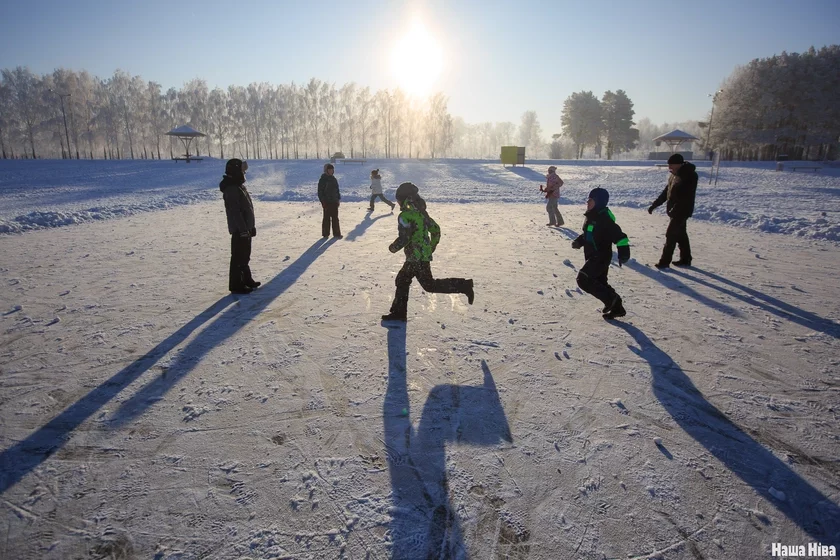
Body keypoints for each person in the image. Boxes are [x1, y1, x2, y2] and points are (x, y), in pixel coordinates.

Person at [381, 182, 474, 322]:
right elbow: (436, 230)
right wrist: (430, 247)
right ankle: (463, 285)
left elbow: (405, 238)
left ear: (404, 199)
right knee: (420, 283)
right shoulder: (422, 213)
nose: (397, 201)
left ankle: (399, 314)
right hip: (422, 255)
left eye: (398, 198)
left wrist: (393, 248)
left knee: (410, 281)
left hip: (415, 257)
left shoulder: (405, 216)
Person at [571, 187, 630, 320]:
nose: (587, 202)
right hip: (592, 256)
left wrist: (624, 253)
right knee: (600, 282)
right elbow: (589, 233)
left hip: (600, 257)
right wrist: (579, 241)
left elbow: (620, 237)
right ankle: (617, 308)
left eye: (590, 200)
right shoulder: (591, 216)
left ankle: (612, 300)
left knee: (583, 279)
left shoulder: (604, 219)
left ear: (598, 202)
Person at [647, 153, 698, 268]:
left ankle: (664, 262)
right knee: (681, 235)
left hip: (681, 211)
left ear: (678, 164)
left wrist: (675, 208)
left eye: (671, 165)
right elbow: (666, 192)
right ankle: (686, 259)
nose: (669, 168)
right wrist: (654, 205)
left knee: (670, 235)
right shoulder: (674, 175)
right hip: (674, 211)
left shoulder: (689, 175)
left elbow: (685, 196)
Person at [220, 158, 260, 294]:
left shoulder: (238, 185)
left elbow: (247, 208)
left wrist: (251, 227)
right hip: (239, 229)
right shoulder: (231, 188)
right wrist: (243, 229)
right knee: (238, 256)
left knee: (245, 255)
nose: (244, 173)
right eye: (242, 170)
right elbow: (235, 212)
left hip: (245, 228)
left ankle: (246, 279)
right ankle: (236, 285)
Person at [318, 163, 342, 238]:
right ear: (326, 170)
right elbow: (320, 191)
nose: (331, 171)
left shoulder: (334, 179)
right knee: (326, 218)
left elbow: (337, 190)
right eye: (329, 169)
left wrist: (338, 199)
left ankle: (337, 233)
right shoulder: (323, 179)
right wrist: (323, 201)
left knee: (335, 218)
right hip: (327, 202)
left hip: (334, 201)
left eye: (332, 169)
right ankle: (325, 233)